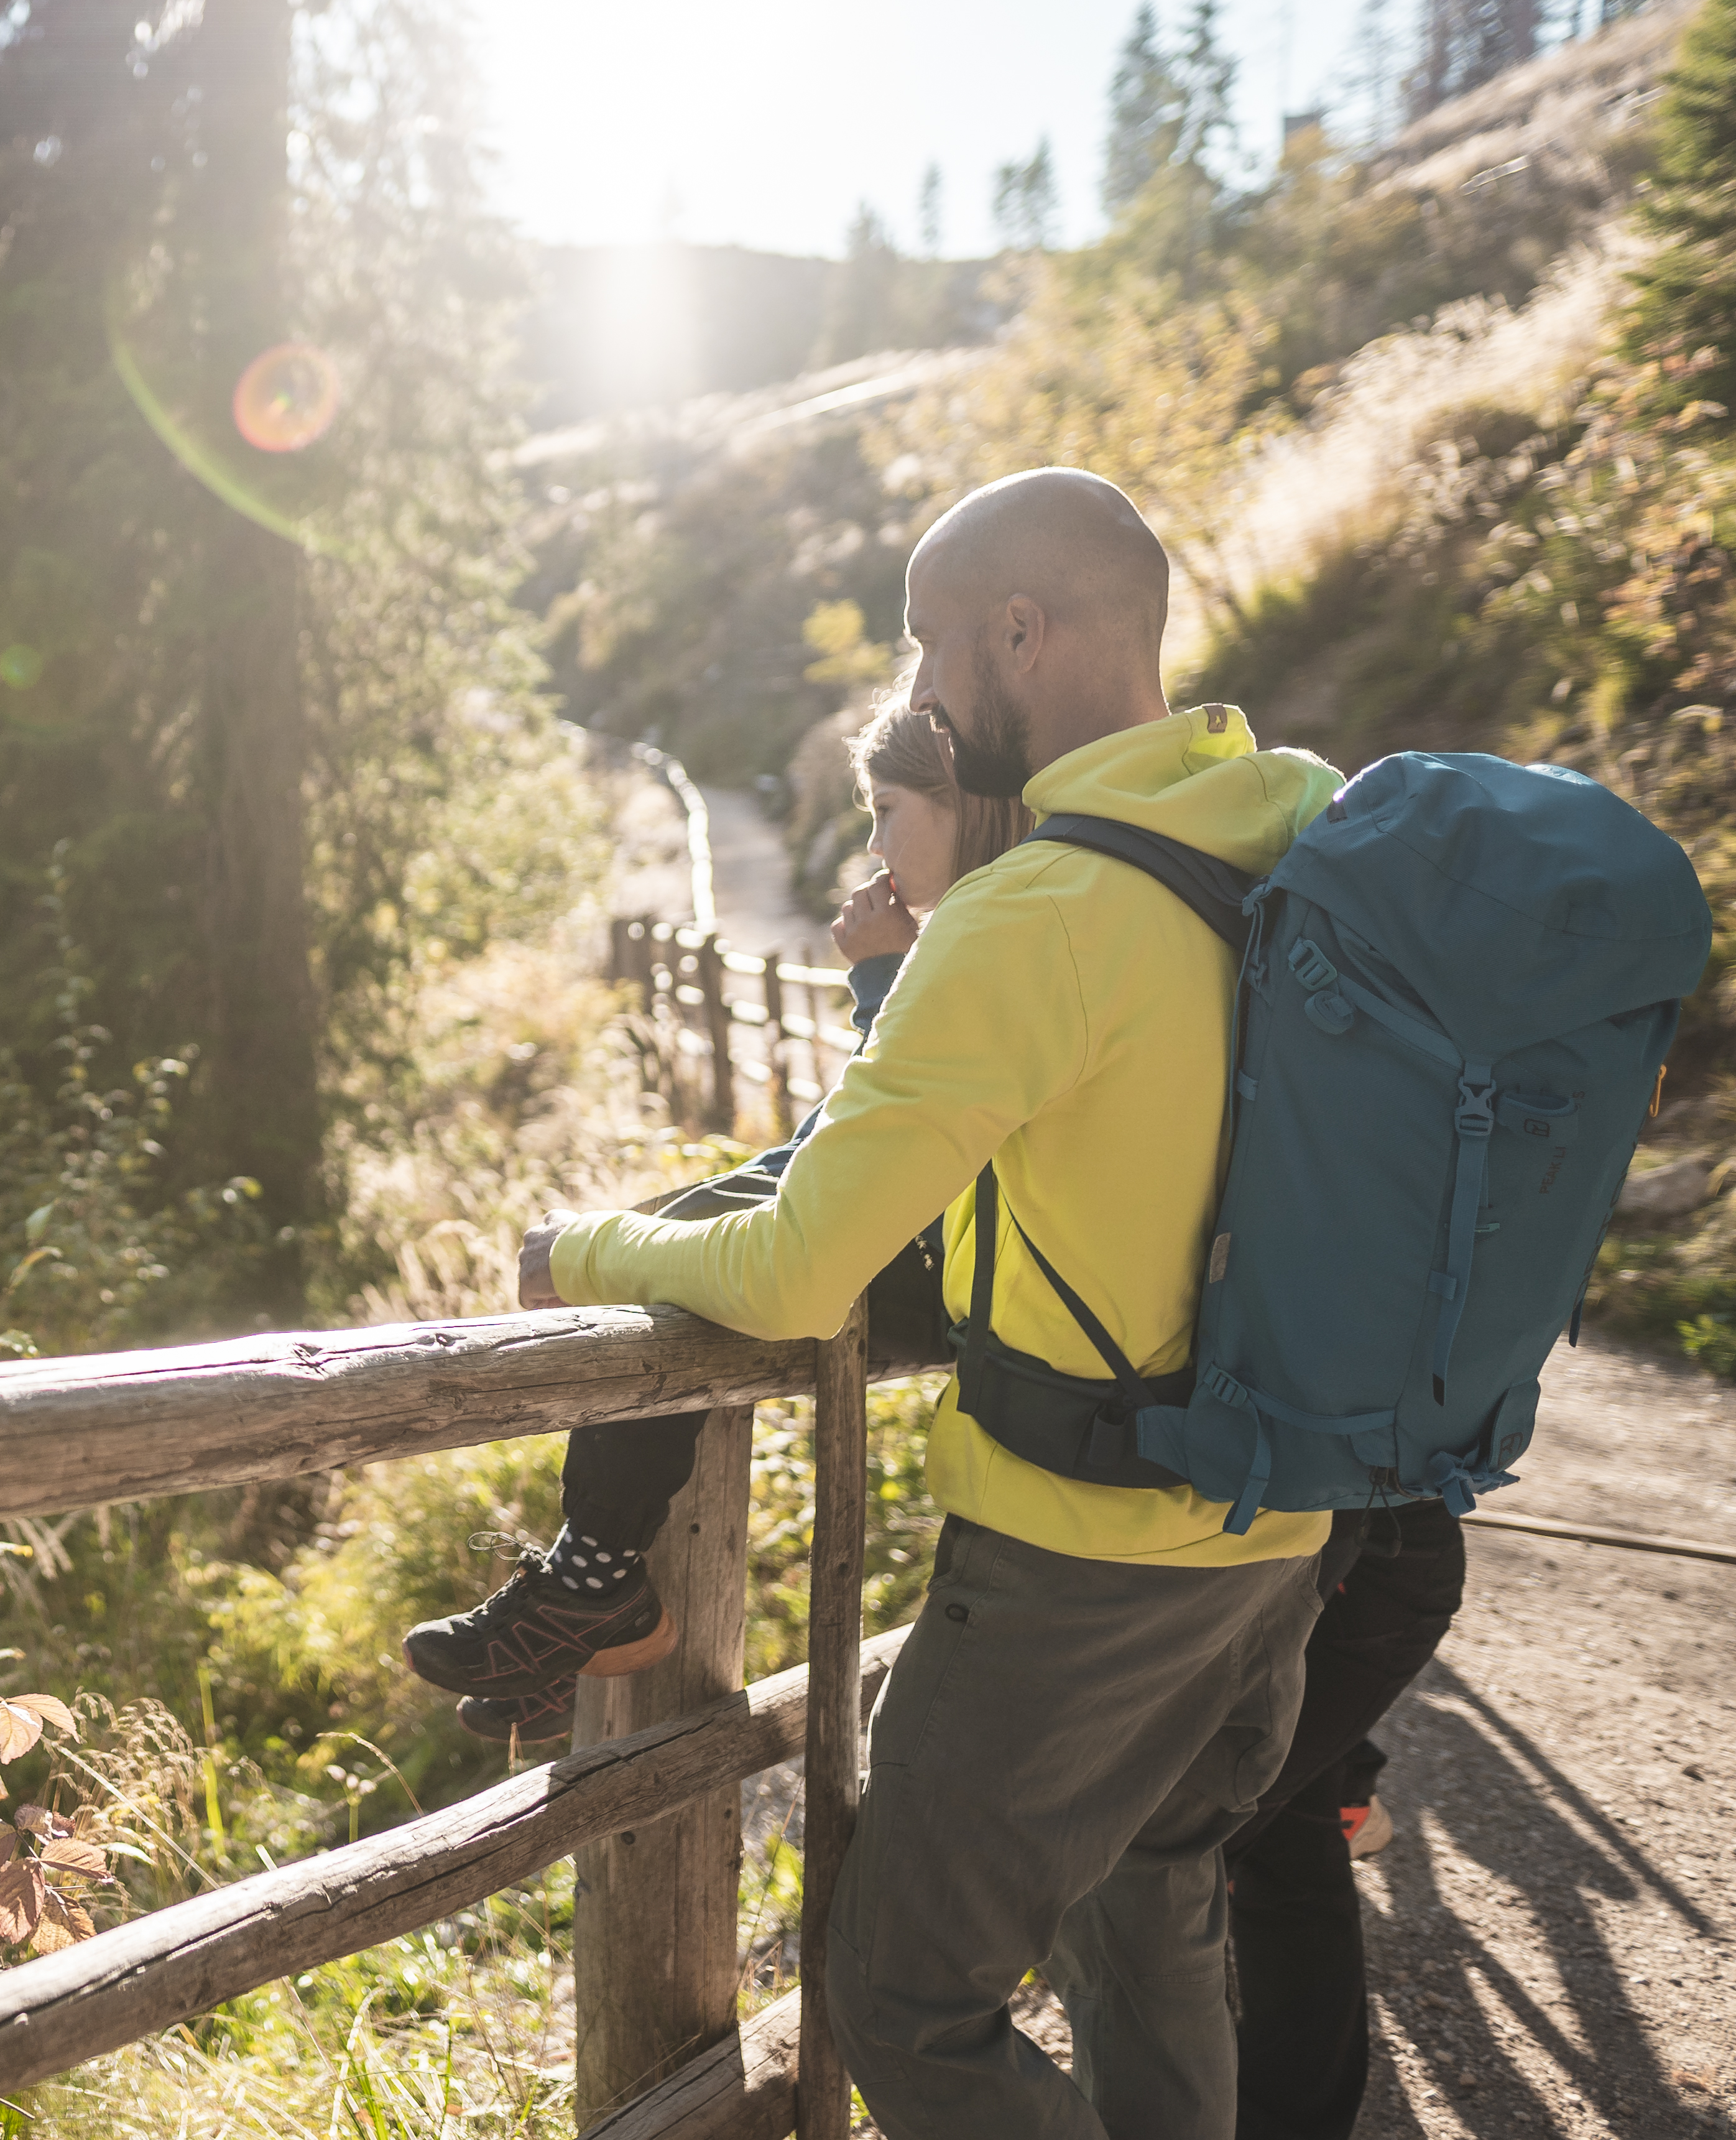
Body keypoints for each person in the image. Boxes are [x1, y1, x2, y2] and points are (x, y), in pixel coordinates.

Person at [513, 468, 1341, 2140]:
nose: (922, 696)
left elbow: (798, 1267)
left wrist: (584, 1253)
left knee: (901, 1997)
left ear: (1018, 633)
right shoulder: (1288, 812)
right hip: (1280, 1521)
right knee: (1149, 1916)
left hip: (1086, 1556)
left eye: (930, 650)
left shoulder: (1040, 911)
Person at [402, 688, 1026, 1744]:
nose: (872, 841)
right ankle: (580, 1612)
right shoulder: (984, 923)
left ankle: (591, 1589)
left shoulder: (1000, 929)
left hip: (944, 1264)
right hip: (921, 1236)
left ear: (958, 802)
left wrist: (880, 974)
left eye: (886, 811)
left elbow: (925, 1129)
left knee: (673, 1267)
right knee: (669, 1229)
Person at [1226, 1506, 1465, 2139]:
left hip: (1368, 1575)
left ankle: (1249, 2115)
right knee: (1281, 1844)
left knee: (1199, 1845)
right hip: (1295, 1574)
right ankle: (1277, 2115)